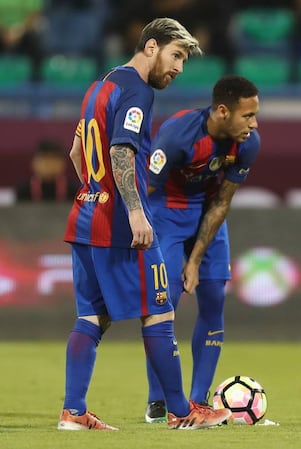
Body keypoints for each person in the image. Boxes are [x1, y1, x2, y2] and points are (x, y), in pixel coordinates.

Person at [58, 17, 231, 431]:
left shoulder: (101, 85)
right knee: (159, 312)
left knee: (91, 318)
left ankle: (73, 411)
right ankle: (181, 410)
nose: (179, 68)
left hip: (85, 216)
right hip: (121, 224)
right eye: (176, 56)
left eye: (184, 61)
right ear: (151, 47)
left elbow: (76, 152)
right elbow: (121, 150)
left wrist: (94, 191)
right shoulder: (136, 91)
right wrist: (134, 210)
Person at [145, 75, 260, 423]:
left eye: (256, 116)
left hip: (208, 217)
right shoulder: (177, 135)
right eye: (247, 116)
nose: (253, 124)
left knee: (214, 300)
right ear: (222, 111)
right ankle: (159, 401)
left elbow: (222, 201)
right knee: (163, 304)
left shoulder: (248, 143)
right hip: (165, 212)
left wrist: (194, 260)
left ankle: (198, 401)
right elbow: (148, 189)